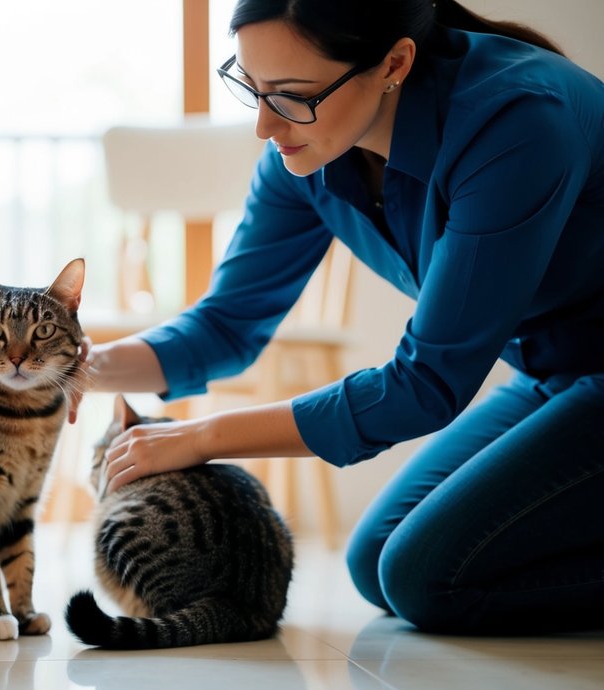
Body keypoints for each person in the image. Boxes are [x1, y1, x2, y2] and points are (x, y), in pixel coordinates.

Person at [80, 0, 604, 635]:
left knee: (426, 579)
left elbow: (426, 385)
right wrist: (75, 369)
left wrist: (198, 437)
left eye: (292, 95)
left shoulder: (518, 119)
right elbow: (227, 323)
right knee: (375, 562)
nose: (265, 128)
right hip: (554, 373)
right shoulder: (307, 149)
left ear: (394, 63)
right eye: (252, 87)